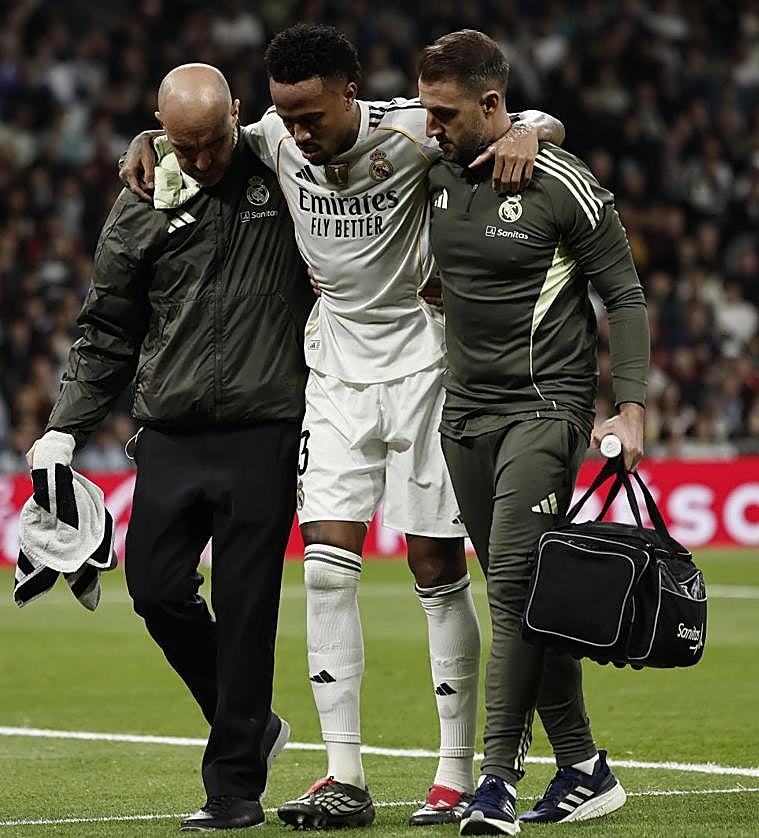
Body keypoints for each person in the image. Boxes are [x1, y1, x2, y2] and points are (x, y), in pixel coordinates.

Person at [120, 23, 566, 830]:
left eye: (312, 116)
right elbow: (200, 131)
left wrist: (536, 130)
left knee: (434, 566)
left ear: (350, 94)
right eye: (286, 117)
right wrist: (149, 137)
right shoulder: (268, 138)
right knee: (326, 566)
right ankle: (343, 776)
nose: (298, 133)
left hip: (425, 362)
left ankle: (453, 774)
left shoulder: (412, 132)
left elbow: (520, 122)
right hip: (332, 369)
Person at [30, 63, 314, 832]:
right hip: (171, 433)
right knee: (154, 589)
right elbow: (108, 329)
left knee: (248, 610)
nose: (200, 161)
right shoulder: (141, 199)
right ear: (160, 129)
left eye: (212, 143)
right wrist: (63, 428)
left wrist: (532, 126)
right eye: (182, 146)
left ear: (239, 119)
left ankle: (233, 792)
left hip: (264, 428)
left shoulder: (288, 172)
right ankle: (251, 725)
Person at [418, 30, 649, 835]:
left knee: (514, 587)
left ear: (492, 104)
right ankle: (585, 767)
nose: (432, 126)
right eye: (426, 112)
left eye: (445, 113)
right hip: (463, 419)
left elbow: (624, 294)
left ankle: (495, 785)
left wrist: (631, 407)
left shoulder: (561, 183)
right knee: (530, 598)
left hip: (545, 411)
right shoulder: (433, 165)